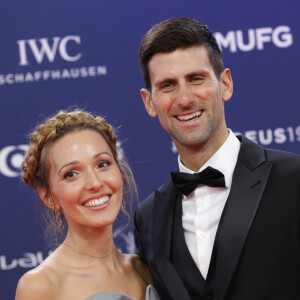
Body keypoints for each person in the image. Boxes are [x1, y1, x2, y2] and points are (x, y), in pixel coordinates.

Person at [134, 17, 300, 300]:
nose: (184, 99)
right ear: (150, 102)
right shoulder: (148, 218)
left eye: (195, 78)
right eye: (167, 85)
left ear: (225, 84)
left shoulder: (294, 179)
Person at [15, 110, 160, 300]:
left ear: (120, 172)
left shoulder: (145, 269)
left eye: (102, 164)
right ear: (49, 197)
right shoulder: (40, 286)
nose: (95, 183)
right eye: (71, 174)